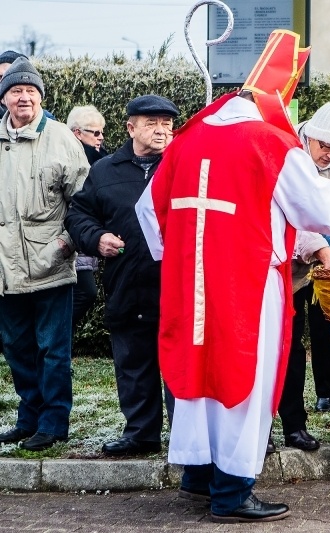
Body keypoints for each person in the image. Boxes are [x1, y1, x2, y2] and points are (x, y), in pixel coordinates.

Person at [136, 29, 330, 523]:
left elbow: (148, 210)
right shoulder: (267, 142)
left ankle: (198, 477)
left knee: (199, 370)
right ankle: (232, 492)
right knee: (244, 375)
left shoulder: (187, 141)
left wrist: (178, 255)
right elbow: (319, 206)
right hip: (248, 285)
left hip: (190, 285)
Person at [65, 95, 179, 456]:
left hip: (178, 285)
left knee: (179, 366)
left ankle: (185, 436)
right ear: (130, 128)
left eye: (166, 123)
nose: (160, 130)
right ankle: (141, 434)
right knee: (132, 361)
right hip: (127, 283)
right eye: (151, 123)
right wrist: (97, 239)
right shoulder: (105, 171)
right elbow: (79, 215)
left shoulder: (186, 166)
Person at [0, 57, 89, 451]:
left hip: (50, 264)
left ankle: (54, 422)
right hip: (5, 268)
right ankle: (29, 417)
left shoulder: (61, 137)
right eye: (16, 90)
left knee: (53, 349)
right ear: (4, 98)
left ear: (40, 98)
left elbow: (83, 203)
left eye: (31, 91)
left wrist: (65, 245)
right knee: (17, 347)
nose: (24, 98)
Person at [279, 99, 330, 452]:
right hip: (269, 270)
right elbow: (292, 213)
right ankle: (261, 430)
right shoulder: (286, 156)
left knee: (293, 351)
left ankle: (294, 424)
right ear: (310, 135)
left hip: (297, 276)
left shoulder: (322, 162)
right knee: (266, 353)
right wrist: (325, 247)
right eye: (326, 146)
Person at [66, 105, 108, 329]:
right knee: (85, 292)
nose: (101, 137)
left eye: (102, 131)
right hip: (72, 241)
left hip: (84, 243)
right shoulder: (74, 160)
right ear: (77, 133)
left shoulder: (100, 161)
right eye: (95, 132)